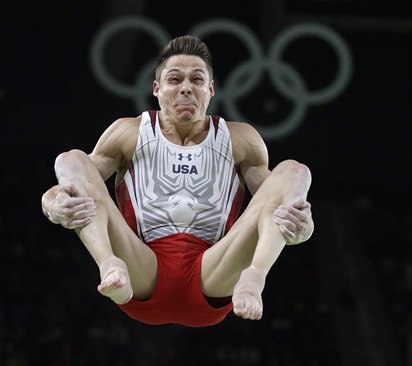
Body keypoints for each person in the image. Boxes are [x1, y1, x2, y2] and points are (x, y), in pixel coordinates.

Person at [41, 35, 314, 327]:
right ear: (157, 89)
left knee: (295, 172)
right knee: (71, 160)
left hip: (214, 272)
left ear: (210, 89)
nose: (186, 88)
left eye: (197, 80)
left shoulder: (240, 139)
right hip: (141, 269)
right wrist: (52, 205)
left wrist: (304, 227)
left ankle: (255, 276)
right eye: (175, 79)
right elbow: (75, 184)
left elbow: (274, 201)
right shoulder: (128, 134)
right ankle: (108, 263)